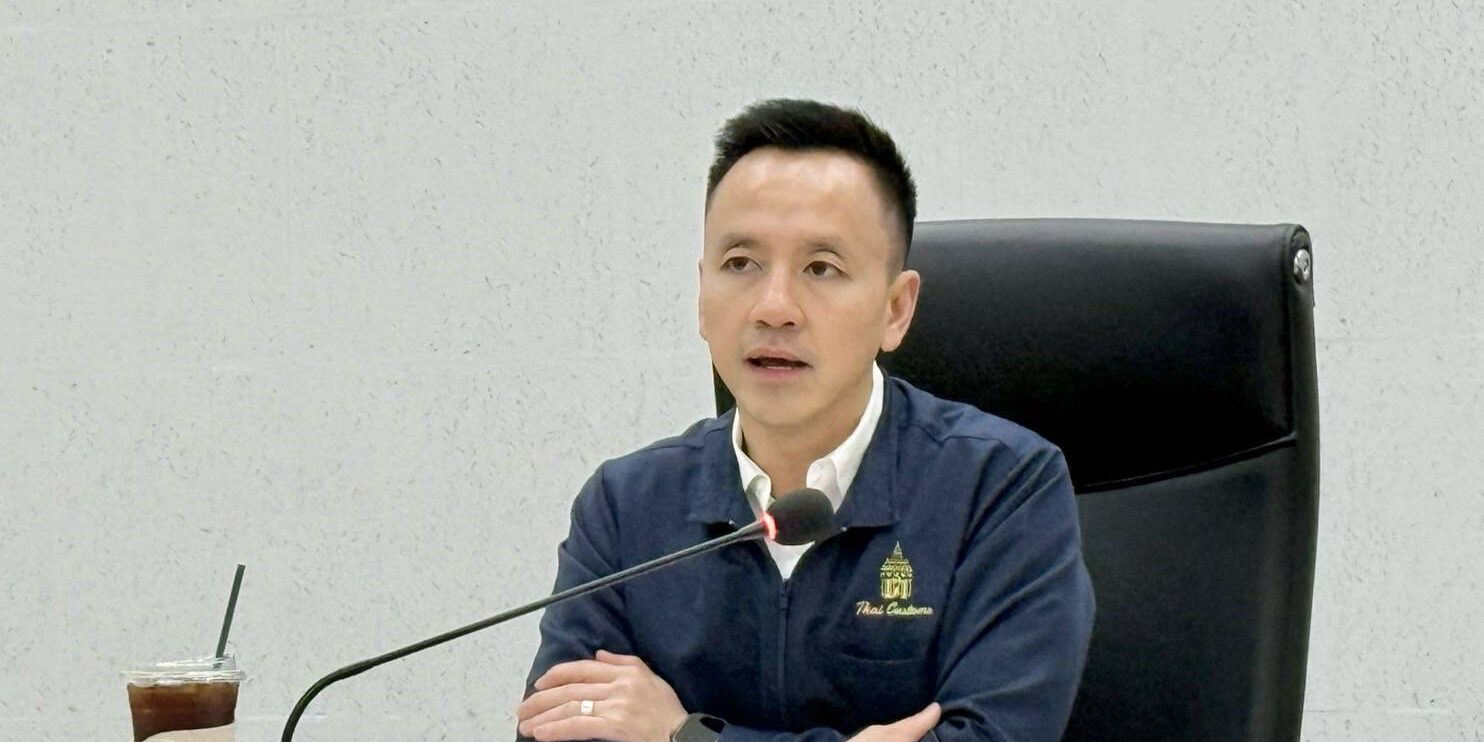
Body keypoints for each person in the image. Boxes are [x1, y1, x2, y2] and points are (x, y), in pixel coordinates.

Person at [516, 99, 1094, 742]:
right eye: (741, 264)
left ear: (896, 310)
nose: (774, 307)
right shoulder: (626, 507)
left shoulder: (1002, 487)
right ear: (702, 295)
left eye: (822, 268)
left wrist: (686, 736)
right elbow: (557, 733)